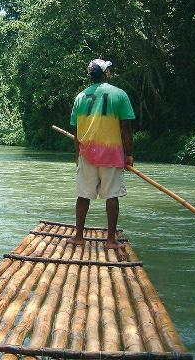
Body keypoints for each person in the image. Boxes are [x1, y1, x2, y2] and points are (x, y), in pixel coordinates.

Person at [68, 59, 135, 249]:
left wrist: (77, 155)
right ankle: (110, 240)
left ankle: (79, 236)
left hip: (86, 153)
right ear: (105, 73)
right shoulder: (119, 95)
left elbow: (77, 131)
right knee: (111, 196)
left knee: (83, 195)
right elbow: (125, 128)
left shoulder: (80, 97)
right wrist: (128, 154)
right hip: (112, 154)